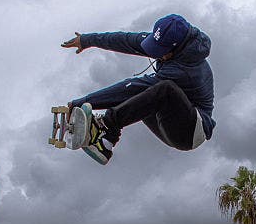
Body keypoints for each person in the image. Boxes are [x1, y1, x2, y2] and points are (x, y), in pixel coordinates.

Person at [60, 13, 215, 165]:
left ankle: (107, 135)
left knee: (162, 89)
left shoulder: (185, 71)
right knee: (144, 94)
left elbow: (133, 87)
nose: (158, 55)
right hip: (168, 117)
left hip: (190, 131)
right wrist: (87, 40)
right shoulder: (172, 43)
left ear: (176, 47)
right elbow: (125, 40)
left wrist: (84, 102)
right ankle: (102, 134)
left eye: (162, 52)